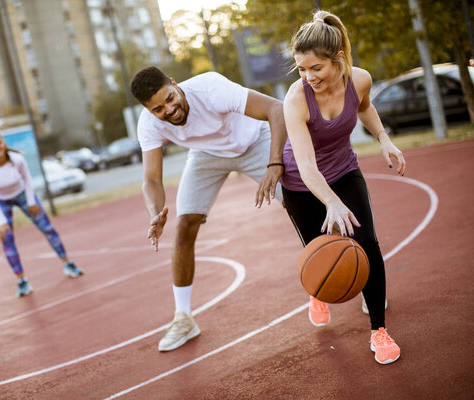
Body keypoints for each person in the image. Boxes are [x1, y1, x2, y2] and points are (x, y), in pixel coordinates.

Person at [278, 10, 406, 364]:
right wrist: (331, 202)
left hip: (344, 169)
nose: (308, 76)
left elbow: (365, 107)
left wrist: (383, 138)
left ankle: (379, 331)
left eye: (315, 68)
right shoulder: (296, 98)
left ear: (338, 59)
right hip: (301, 184)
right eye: (301, 69)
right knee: (317, 250)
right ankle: (318, 290)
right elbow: (305, 165)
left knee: (366, 242)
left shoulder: (360, 79)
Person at [130, 66, 287, 352]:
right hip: (207, 155)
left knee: (304, 203)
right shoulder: (149, 124)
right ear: (148, 110)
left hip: (255, 141)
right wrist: (155, 212)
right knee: (183, 224)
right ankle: (183, 318)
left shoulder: (210, 88)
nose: (169, 109)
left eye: (170, 98)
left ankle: (357, 274)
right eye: (158, 109)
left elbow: (276, 109)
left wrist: (275, 162)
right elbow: (151, 179)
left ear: (176, 84)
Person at [0, 132, 83, 297]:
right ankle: (22, 281)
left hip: (22, 195)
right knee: (7, 238)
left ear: (3, 144)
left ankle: (68, 264)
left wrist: (31, 201)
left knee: (47, 228)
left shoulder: (17, 159)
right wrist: (1, 220)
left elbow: (27, 180)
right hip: (1, 201)